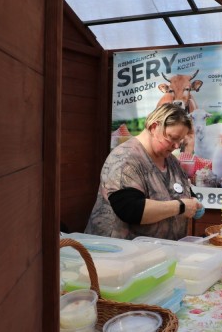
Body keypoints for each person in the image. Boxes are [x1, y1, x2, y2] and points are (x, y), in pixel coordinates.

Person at [85, 103, 203, 240]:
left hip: (160, 254)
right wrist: (181, 207)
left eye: (180, 141)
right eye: (173, 138)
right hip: (121, 253)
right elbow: (131, 210)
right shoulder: (126, 159)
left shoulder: (170, 159)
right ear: (154, 127)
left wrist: (194, 203)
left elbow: (182, 190)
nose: (177, 146)